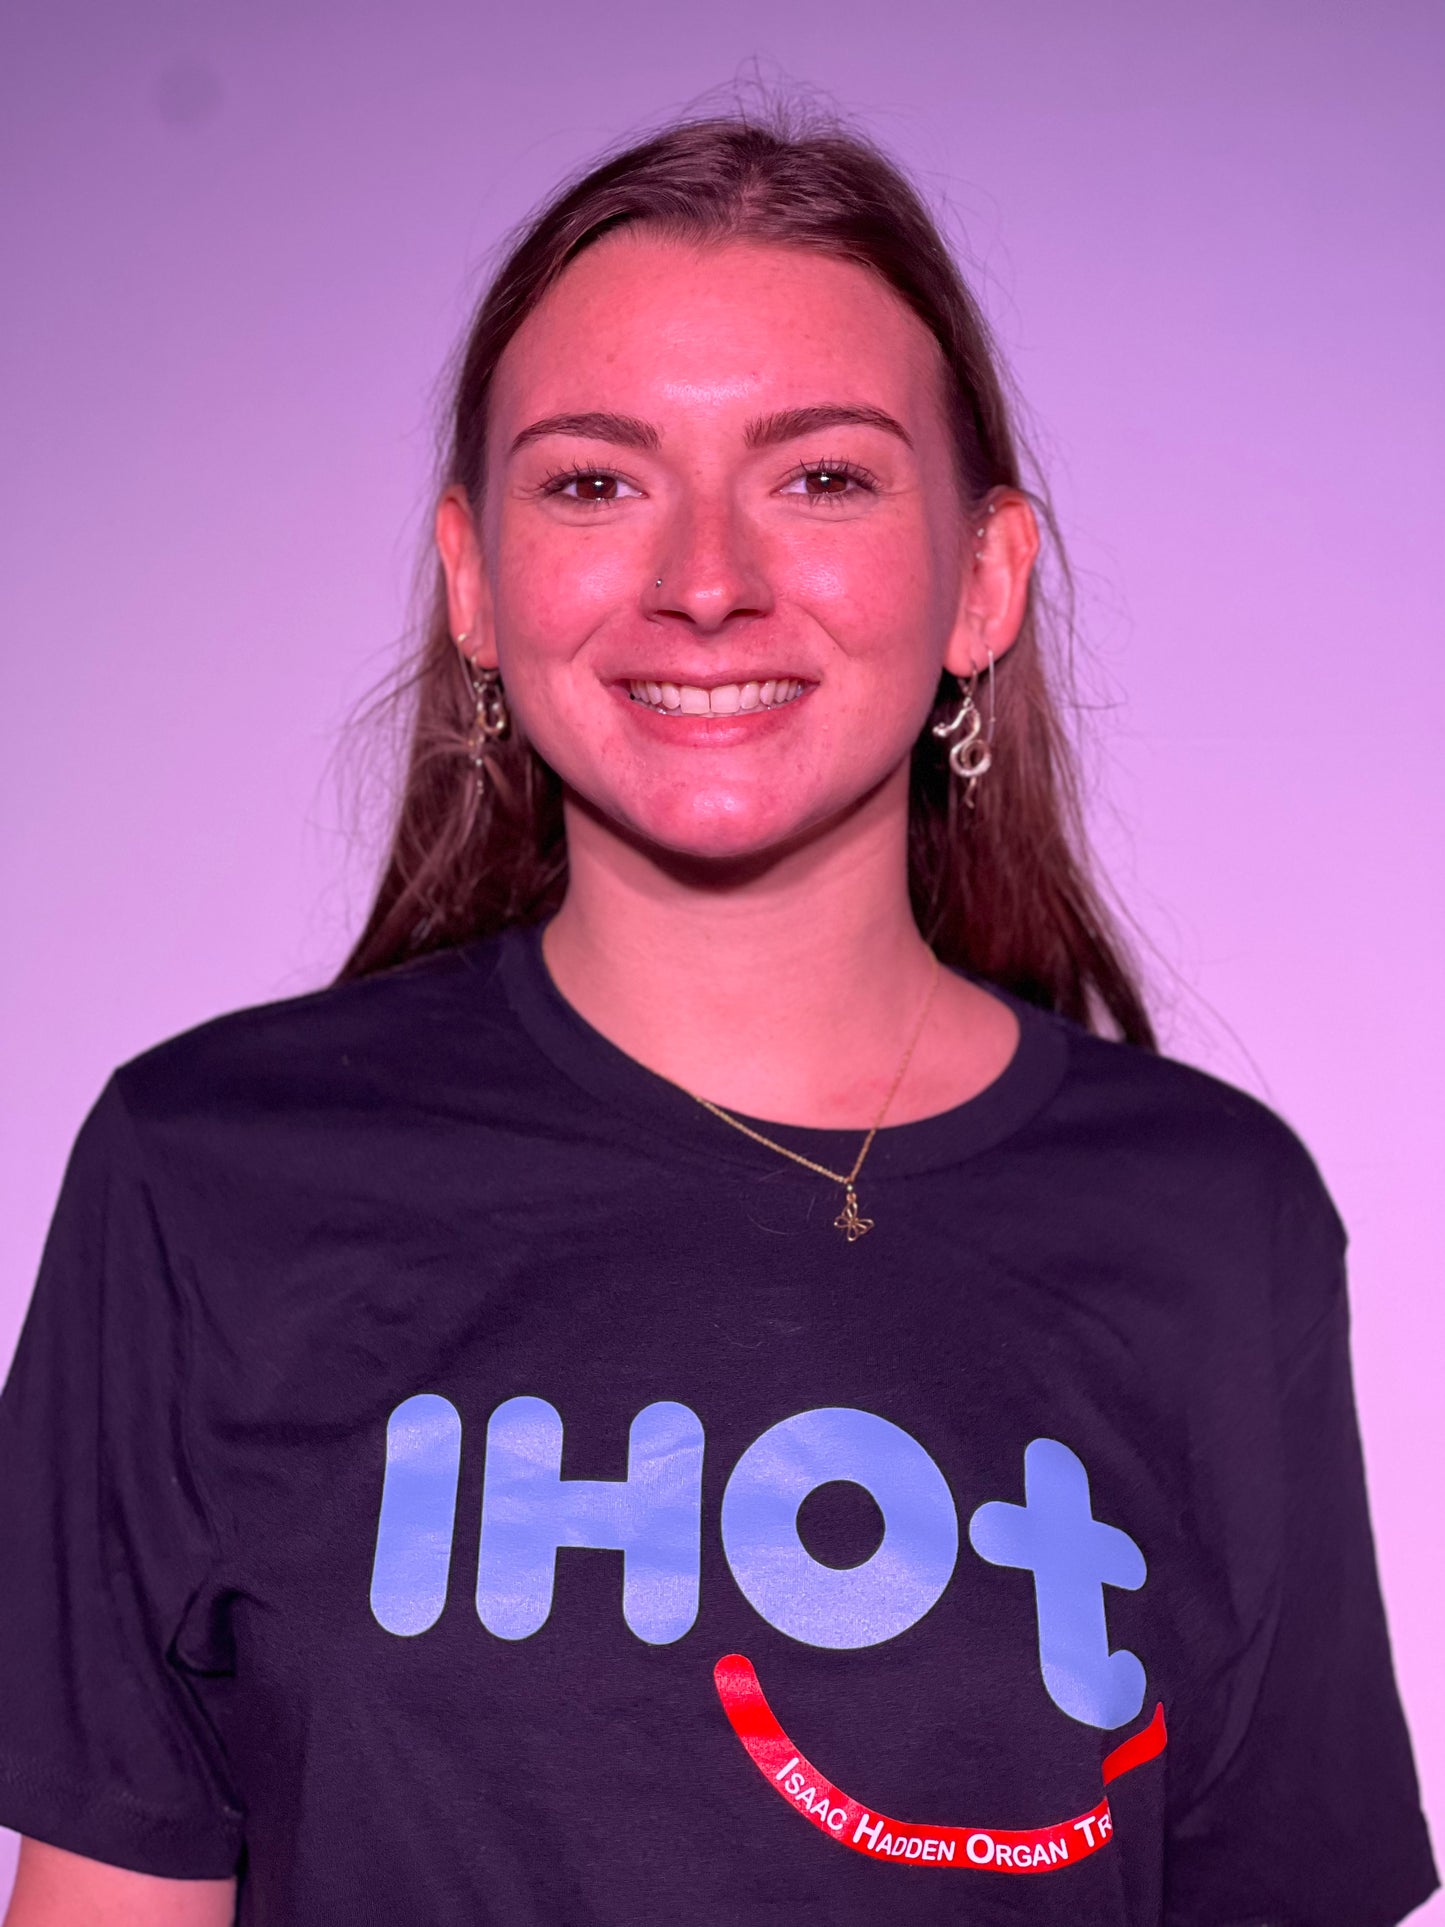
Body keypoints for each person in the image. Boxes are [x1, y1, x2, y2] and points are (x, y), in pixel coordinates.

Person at [0, 112, 1435, 1927]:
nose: (702, 578)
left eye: (819, 478)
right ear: (475, 582)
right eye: (593, 482)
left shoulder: (1210, 1224)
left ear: (982, 579)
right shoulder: (206, 1180)